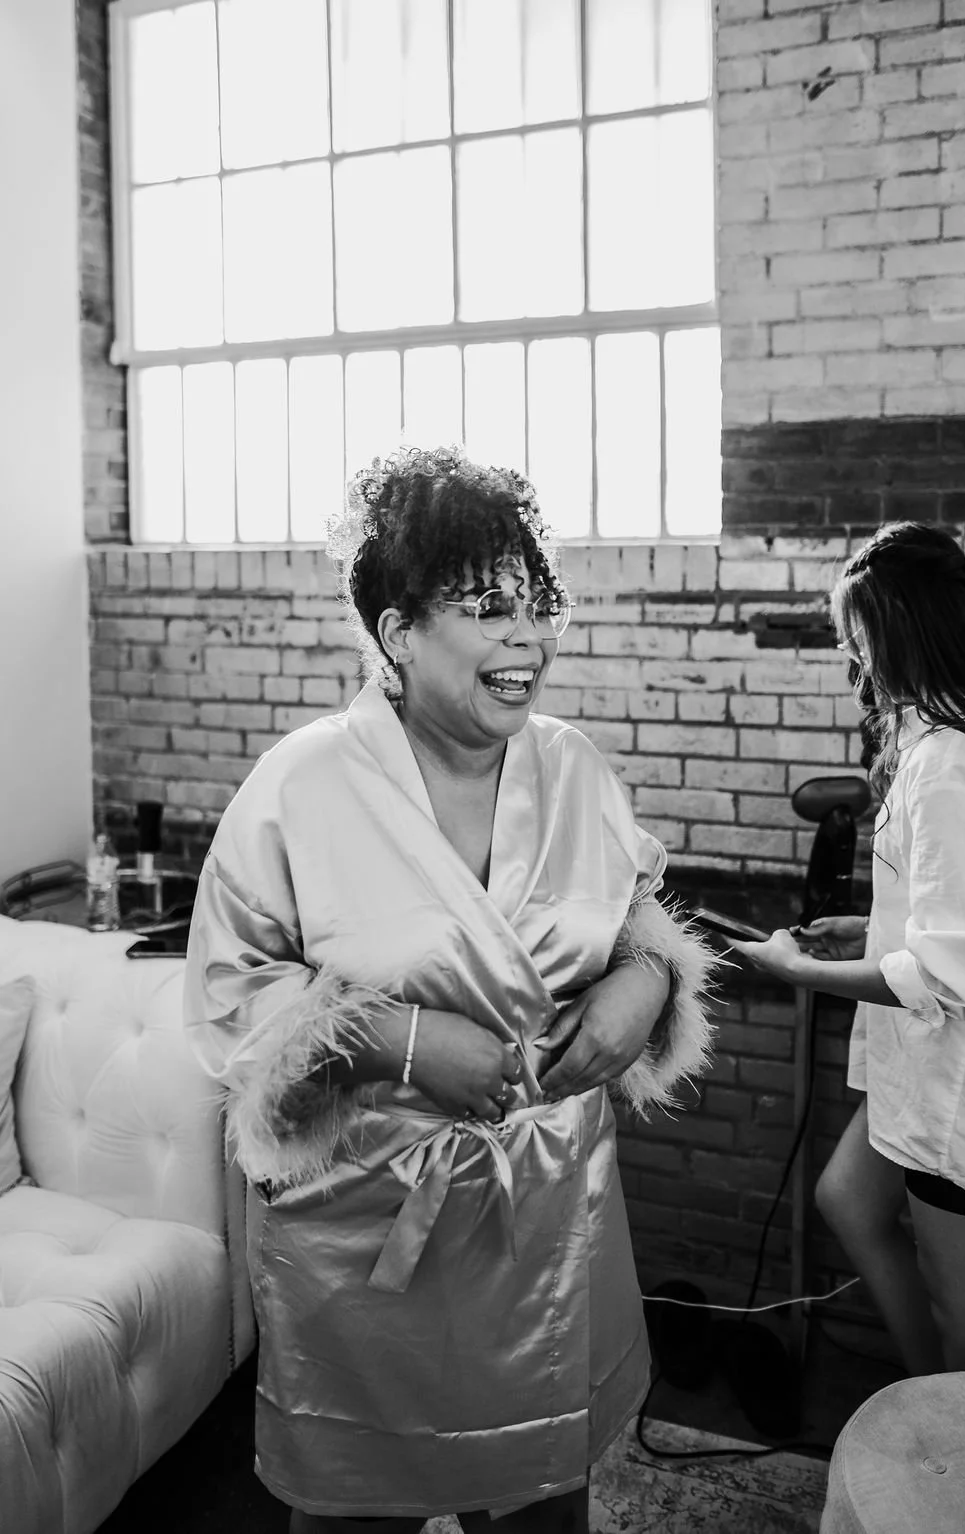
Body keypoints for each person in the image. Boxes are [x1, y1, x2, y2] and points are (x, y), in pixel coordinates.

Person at [184, 445, 716, 1533]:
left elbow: (637, 918)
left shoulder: (574, 770)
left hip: (546, 1218)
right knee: (352, 1507)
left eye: (535, 604)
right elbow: (231, 990)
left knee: (540, 1502)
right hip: (364, 1232)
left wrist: (647, 982)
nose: (528, 636)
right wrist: (401, 1042)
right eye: (487, 606)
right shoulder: (302, 784)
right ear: (395, 632)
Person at [732, 521, 965, 1380]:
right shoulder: (954, 739)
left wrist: (803, 973)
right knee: (848, 1201)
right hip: (925, 1070)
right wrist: (868, 931)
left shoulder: (953, 766)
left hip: (963, 1093)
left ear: (904, 630)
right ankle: (931, 1396)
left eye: (856, 636)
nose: (850, 657)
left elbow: (953, 971)